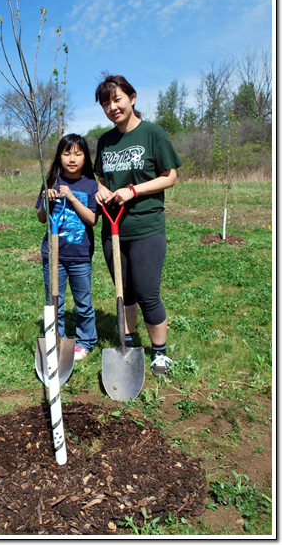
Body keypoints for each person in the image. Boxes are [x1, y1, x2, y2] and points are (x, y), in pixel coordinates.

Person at [94, 73, 182, 375]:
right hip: (113, 229)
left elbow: (170, 176)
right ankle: (129, 342)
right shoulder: (105, 141)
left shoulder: (153, 134)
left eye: (116, 99)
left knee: (147, 292)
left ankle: (159, 353)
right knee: (124, 292)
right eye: (106, 103)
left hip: (146, 227)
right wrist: (101, 189)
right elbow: (101, 177)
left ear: (132, 98)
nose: (112, 107)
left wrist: (133, 190)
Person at [36, 134, 98, 361]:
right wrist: (46, 200)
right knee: (54, 302)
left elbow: (92, 219)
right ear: (59, 156)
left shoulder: (91, 185)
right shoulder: (50, 182)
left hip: (80, 255)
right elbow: (41, 218)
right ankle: (56, 339)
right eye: (67, 153)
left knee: (83, 302)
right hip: (53, 255)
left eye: (78, 154)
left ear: (85, 158)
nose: (72, 159)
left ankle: (86, 341)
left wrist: (71, 198)